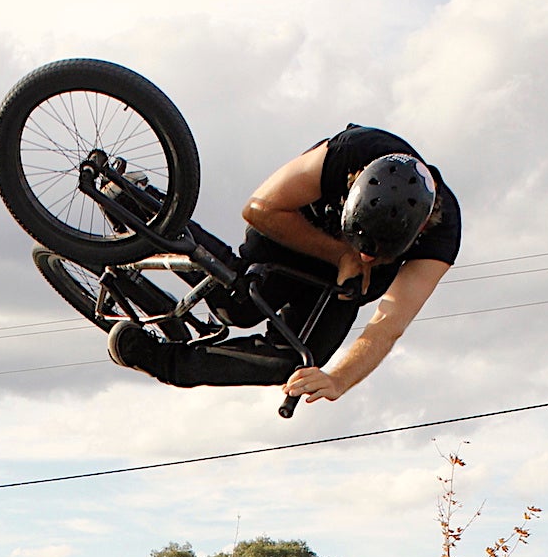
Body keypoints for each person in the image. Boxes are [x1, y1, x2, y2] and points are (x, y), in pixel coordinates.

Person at [107, 124, 461, 406]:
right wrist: (341, 253)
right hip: (292, 230)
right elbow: (259, 209)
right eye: (361, 244)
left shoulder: (441, 238)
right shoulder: (351, 151)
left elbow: (389, 325)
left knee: (294, 362)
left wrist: (338, 379)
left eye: (378, 252)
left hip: (346, 283)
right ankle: (133, 204)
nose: (367, 254)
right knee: (237, 307)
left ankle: (153, 357)